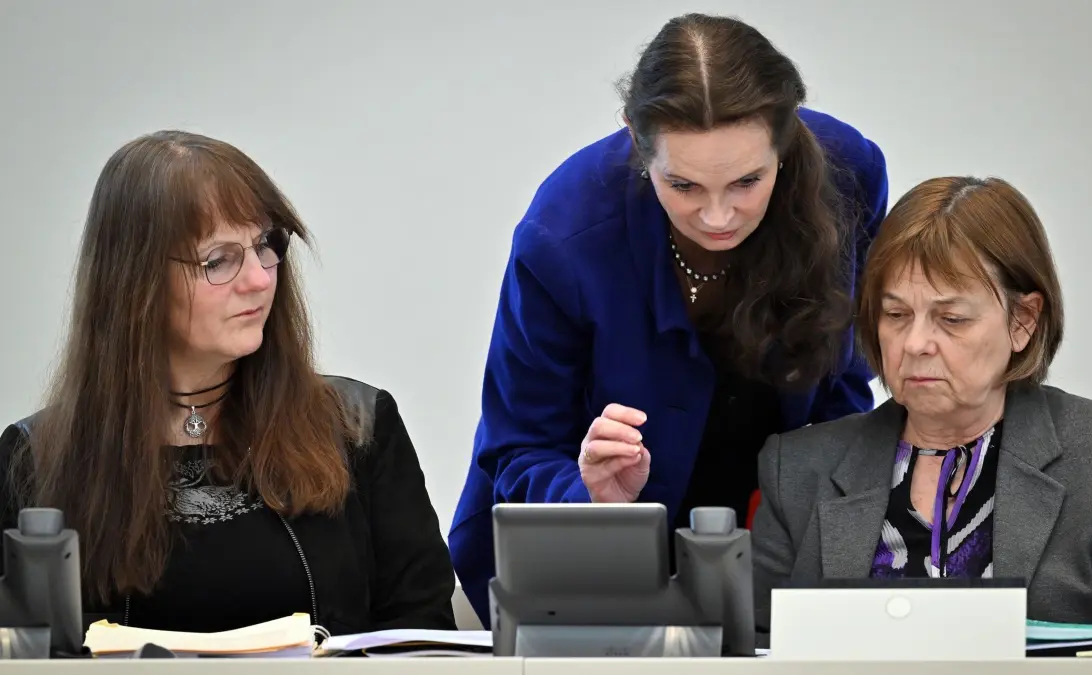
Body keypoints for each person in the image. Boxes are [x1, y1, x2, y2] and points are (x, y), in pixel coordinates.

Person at [449, 13, 888, 624]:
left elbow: (844, 375)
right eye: (682, 184)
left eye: (746, 182)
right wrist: (592, 496)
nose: (716, 217)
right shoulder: (564, 234)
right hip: (580, 574)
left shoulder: (849, 174)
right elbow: (520, 447)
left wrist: (820, 513)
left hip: (771, 555)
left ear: (784, 141)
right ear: (634, 137)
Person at [0, 130, 456, 635]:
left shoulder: (359, 427)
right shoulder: (36, 459)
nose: (260, 279)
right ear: (136, 283)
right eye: (218, 260)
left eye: (264, 244)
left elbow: (423, 636)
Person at [751, 176, 1092, 644]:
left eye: (952, 319)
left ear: (1022, 321)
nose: (916, 344)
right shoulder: (798, 468)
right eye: (896, 315)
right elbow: (748, 647)